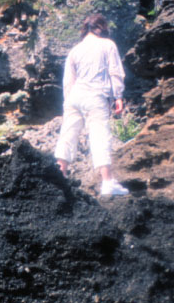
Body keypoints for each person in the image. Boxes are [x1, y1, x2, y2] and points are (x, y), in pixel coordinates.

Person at [54, 14, 130, 197]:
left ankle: (60, 178)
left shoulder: (75, 50)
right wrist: (118, 96)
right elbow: (115, 72)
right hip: (95, 96)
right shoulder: (107, 45)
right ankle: (107, 183)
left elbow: (68, 81)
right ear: (101, 27)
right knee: (99, 136)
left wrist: (67, 103)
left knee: (67, 136)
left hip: (74, 97)